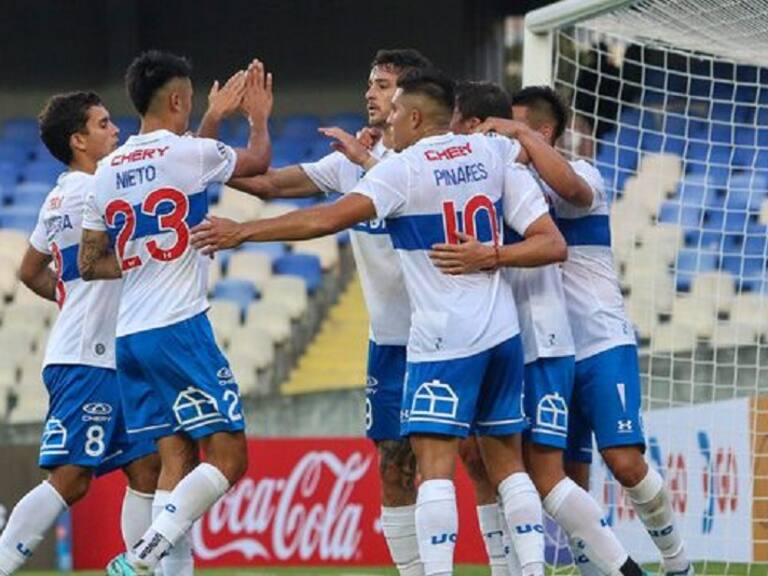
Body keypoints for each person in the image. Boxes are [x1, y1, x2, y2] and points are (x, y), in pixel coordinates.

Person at [190, 68, 568, 576]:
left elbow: (324, 220)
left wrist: (244, 233)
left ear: (413, 115)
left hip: (441, 336)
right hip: (500, 331)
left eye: (392, 106)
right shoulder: (490, 153)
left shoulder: (403, 169)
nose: (383, 113)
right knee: (506, 463)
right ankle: (532, 570)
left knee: (435, 466)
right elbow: (551, 236)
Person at [208, 48, 431, 576]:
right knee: (394, 468)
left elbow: (324, 221)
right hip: (391, 344)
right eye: (369, 83)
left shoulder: (429, 162)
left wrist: (243, 232)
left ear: (410, 98)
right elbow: (265, 184)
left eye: (381, 84)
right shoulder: (349, 163)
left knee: (480, 458)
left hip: (454, 335)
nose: (369, 93)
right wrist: (242, 131)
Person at [475, 86, 692, 576]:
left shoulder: (581, 175)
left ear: (541, 131)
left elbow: (573, 190)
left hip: (601, 341)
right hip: (551, 350)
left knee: (625, 462)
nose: (500, 136)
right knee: (567, 479)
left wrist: (518, 134)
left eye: (511, 125)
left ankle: (679, 565)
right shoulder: (511, 184)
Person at [434, 80, 645, 576]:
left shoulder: (520, 175)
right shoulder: (481, 176)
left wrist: (488, 255)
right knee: (488, 462)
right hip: (503, 341)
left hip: (546, 342)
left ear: (471, 125)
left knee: (546, 477)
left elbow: (554, 245)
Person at [76, 50, 273, 576]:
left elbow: (90, 263)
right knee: (230, 457)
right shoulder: (187, 156)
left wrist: (147, 250)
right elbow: (257, 164)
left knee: (175, 462)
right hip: (179, 327)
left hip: (130, 337)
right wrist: (256, 115)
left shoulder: (106, 171)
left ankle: (156, 563)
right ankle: (143, 554)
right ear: (180, 99)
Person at [0, 92, 160, 576]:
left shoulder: (61, 194)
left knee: (149, 466)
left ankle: (138, 568)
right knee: (71, 480)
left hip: (107, 354)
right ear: (79, 140)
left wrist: (71, 299)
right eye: (104, 124)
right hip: (87, 359)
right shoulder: (95, 192)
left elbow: (30, 271)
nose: (116, 130)